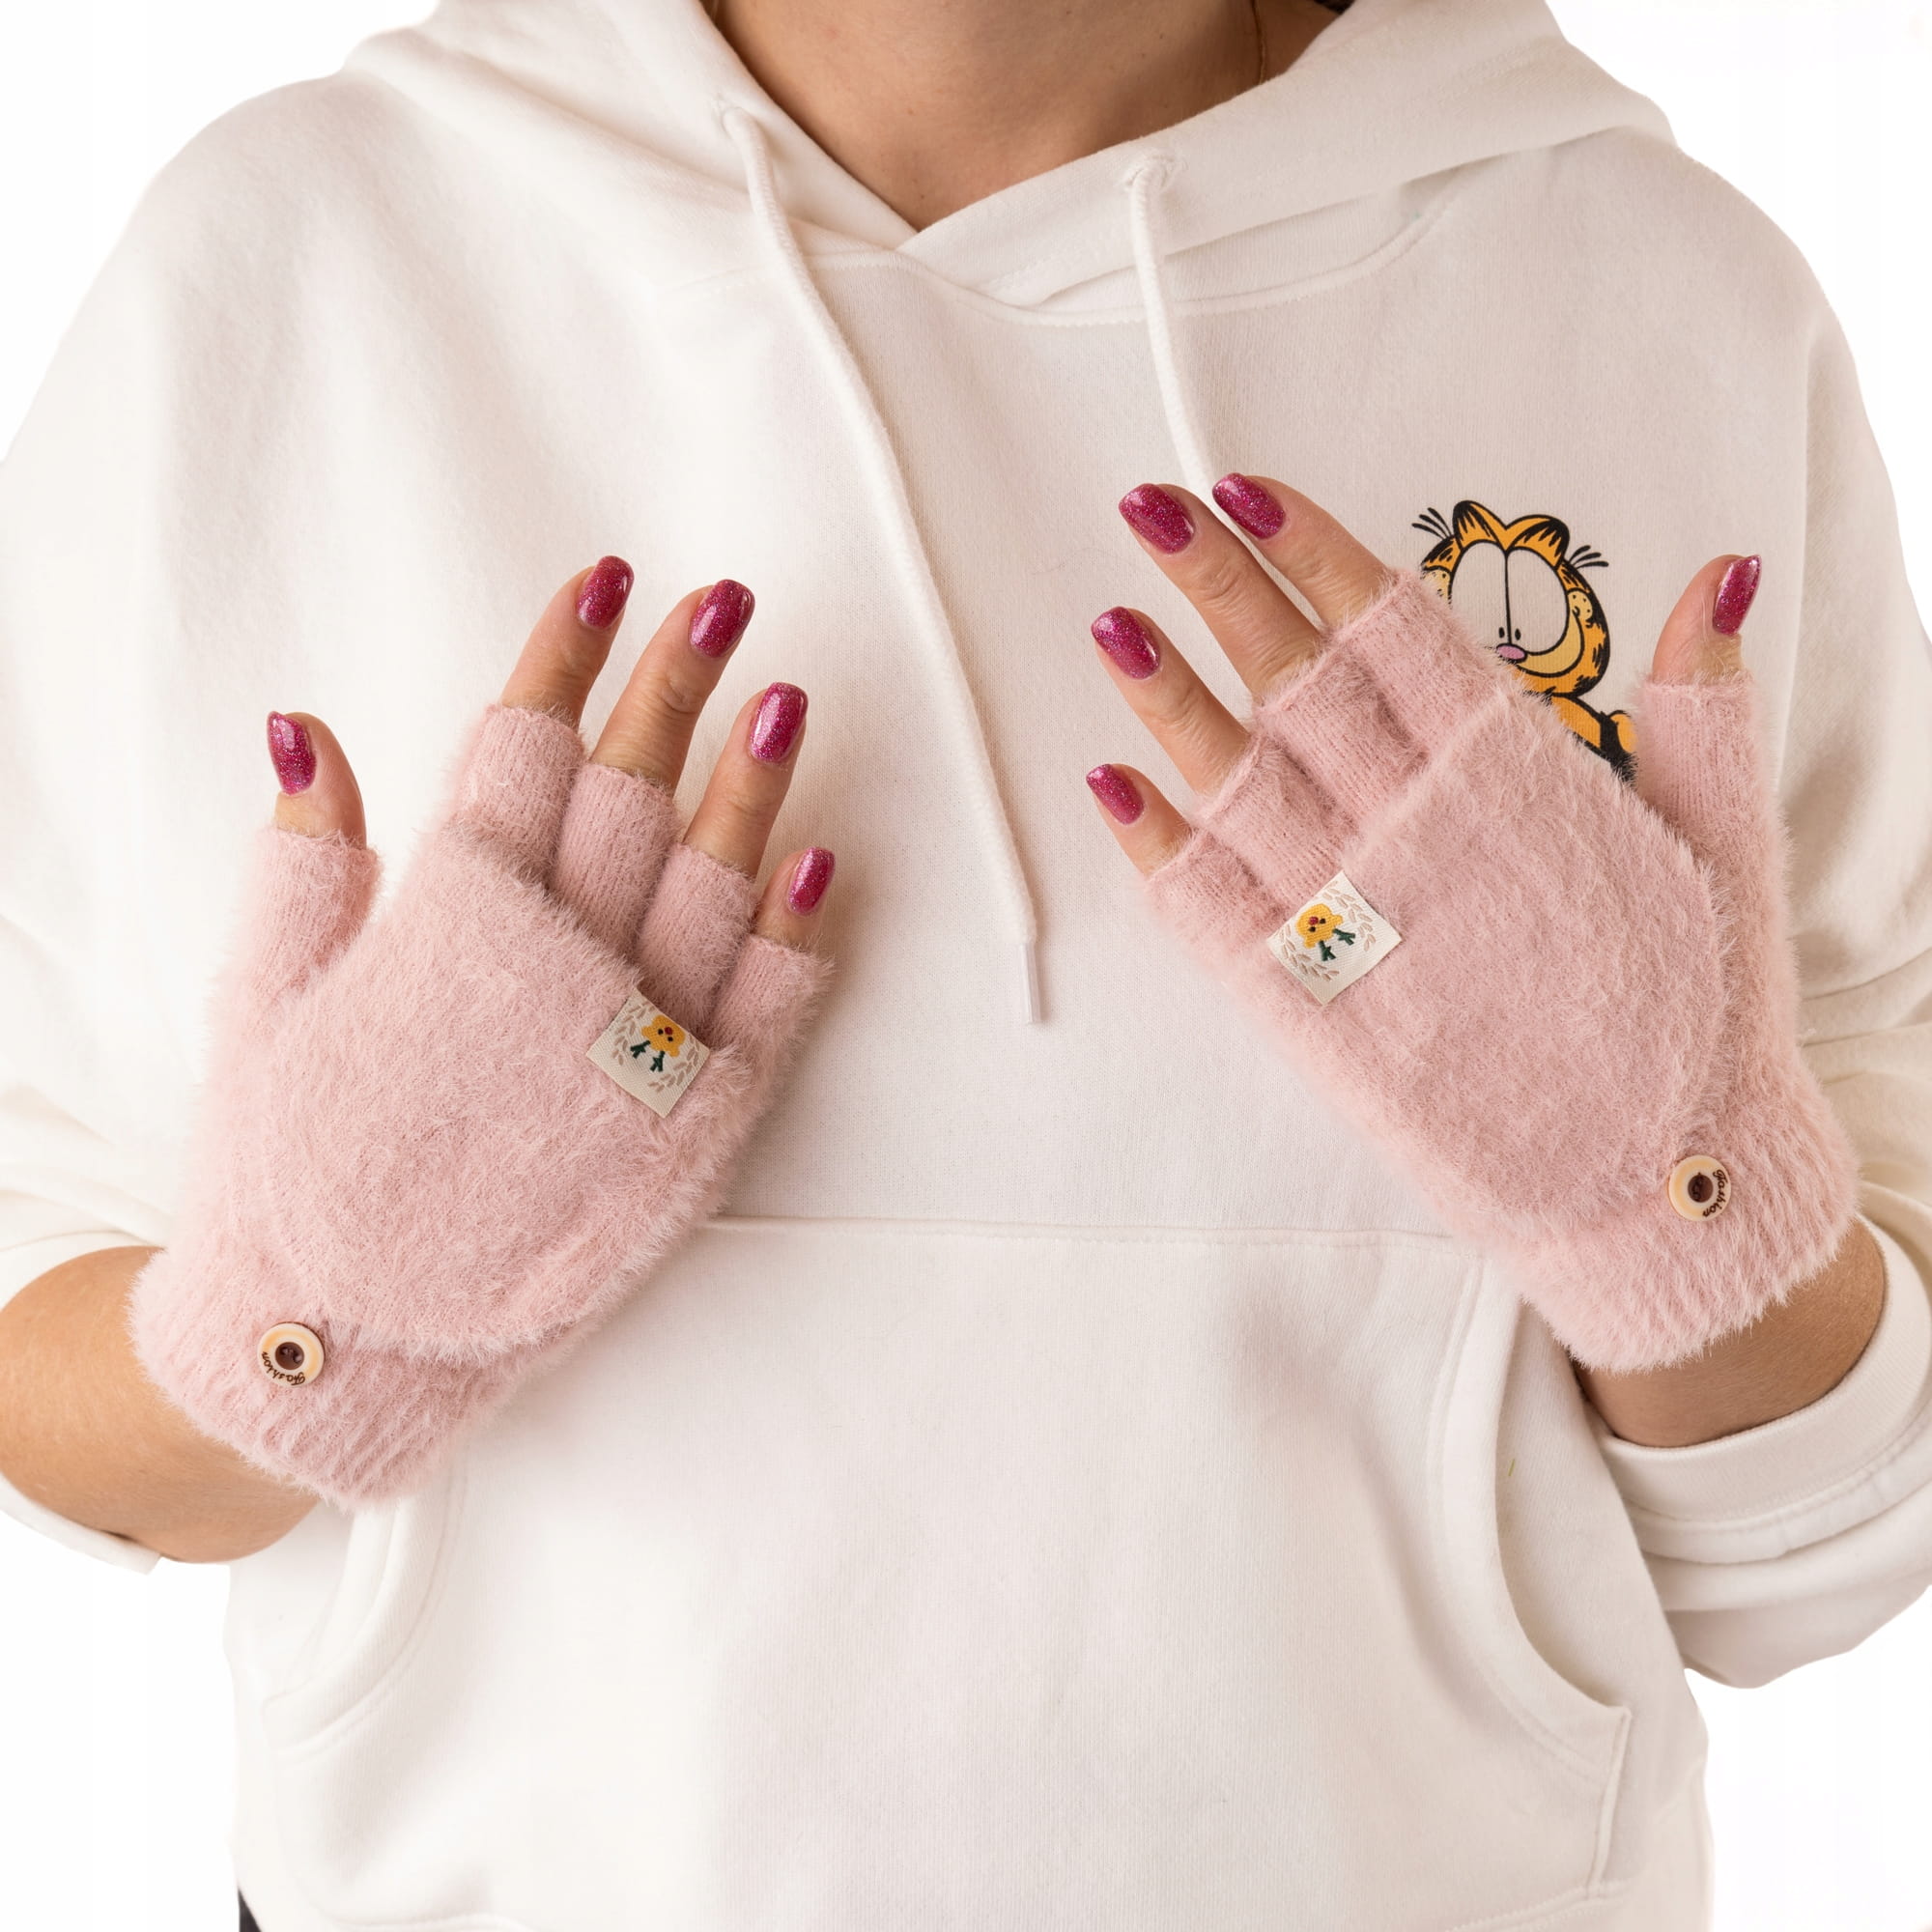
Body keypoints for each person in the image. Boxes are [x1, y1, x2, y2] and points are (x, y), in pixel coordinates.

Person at [1, 0, 1928, 1922]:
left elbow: (1827, 1546)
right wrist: (311, 1316)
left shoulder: (1659, 298)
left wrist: (1670, 1201)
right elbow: (49, 1400)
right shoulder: (295, 266)